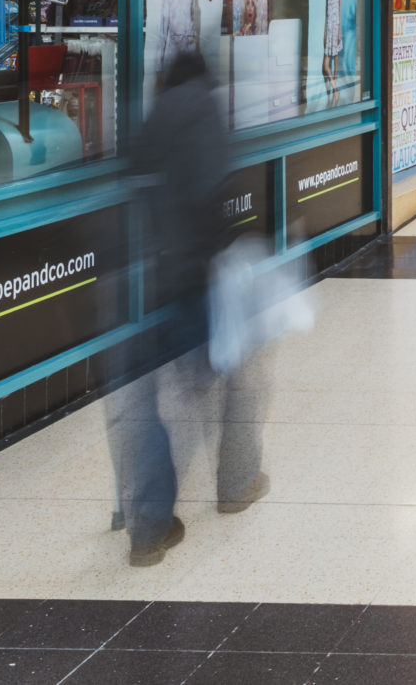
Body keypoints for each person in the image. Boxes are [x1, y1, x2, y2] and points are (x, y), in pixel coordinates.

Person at [108, 50, 268, 566]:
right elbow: (209, 191)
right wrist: (231, 254)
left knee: (138, 407)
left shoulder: (151, 115)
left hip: (134, 281)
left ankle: (142, 524)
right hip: (188, 278)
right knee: (236, 376)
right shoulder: (202, 108)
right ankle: (237, 483)